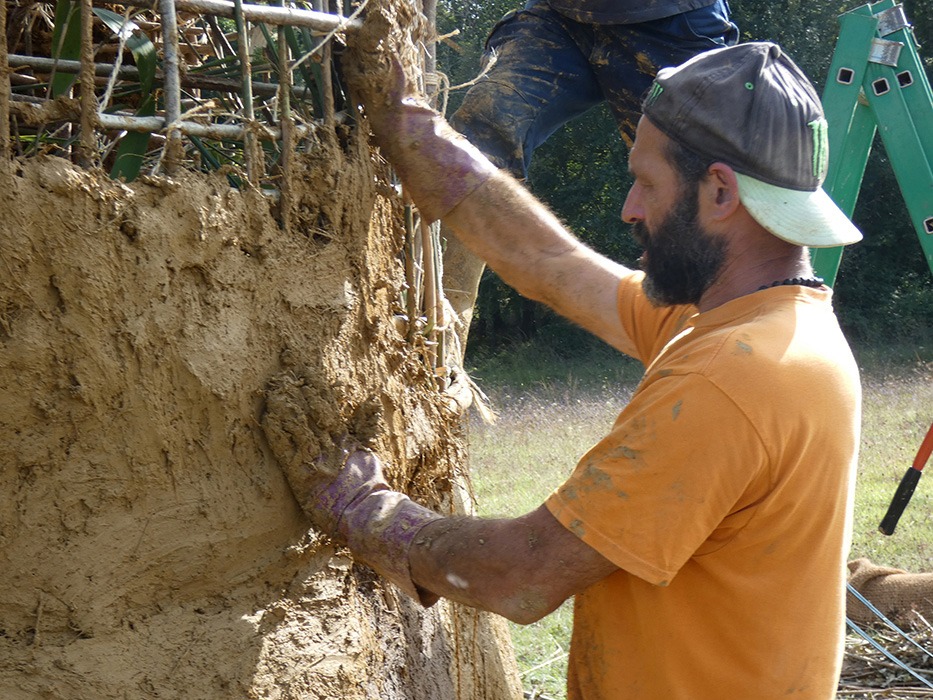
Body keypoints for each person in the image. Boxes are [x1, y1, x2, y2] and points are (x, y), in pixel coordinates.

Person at [264, 41, 864, 698]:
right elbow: (551, 264)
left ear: (719, 190)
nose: (629, 209)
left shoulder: (730, 377)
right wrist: (412, 130)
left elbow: (525, 574)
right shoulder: (759, 328)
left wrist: (365, 512)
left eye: (646, 183)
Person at [442, 0, 739, 354]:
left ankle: (730, 347)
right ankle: (439, 341)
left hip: (669, 20)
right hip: (559, 17)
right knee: (479, 138)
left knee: (702, 183)